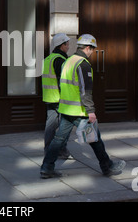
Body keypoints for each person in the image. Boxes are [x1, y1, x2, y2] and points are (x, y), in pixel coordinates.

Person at [40, 34, 126, 179]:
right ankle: (108, 167)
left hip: (66, 110)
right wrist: (90, 111)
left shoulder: (68, 61)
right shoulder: (83, 64)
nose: (92, 53)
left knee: (58, 140)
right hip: (79, 111)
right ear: (87, 48)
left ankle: (47, 168)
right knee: (95, 139)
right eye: (92, 49)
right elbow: (85, 90)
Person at [42, 33, 72, 159]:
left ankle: (49, 149)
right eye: (67, 44)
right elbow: (63, 81)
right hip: (60, 98)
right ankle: (61, 149)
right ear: (62, 45)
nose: (69, 46)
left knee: (50, 126)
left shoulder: (48, 58)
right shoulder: (60, 60)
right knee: (66, 125)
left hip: (49, 97)